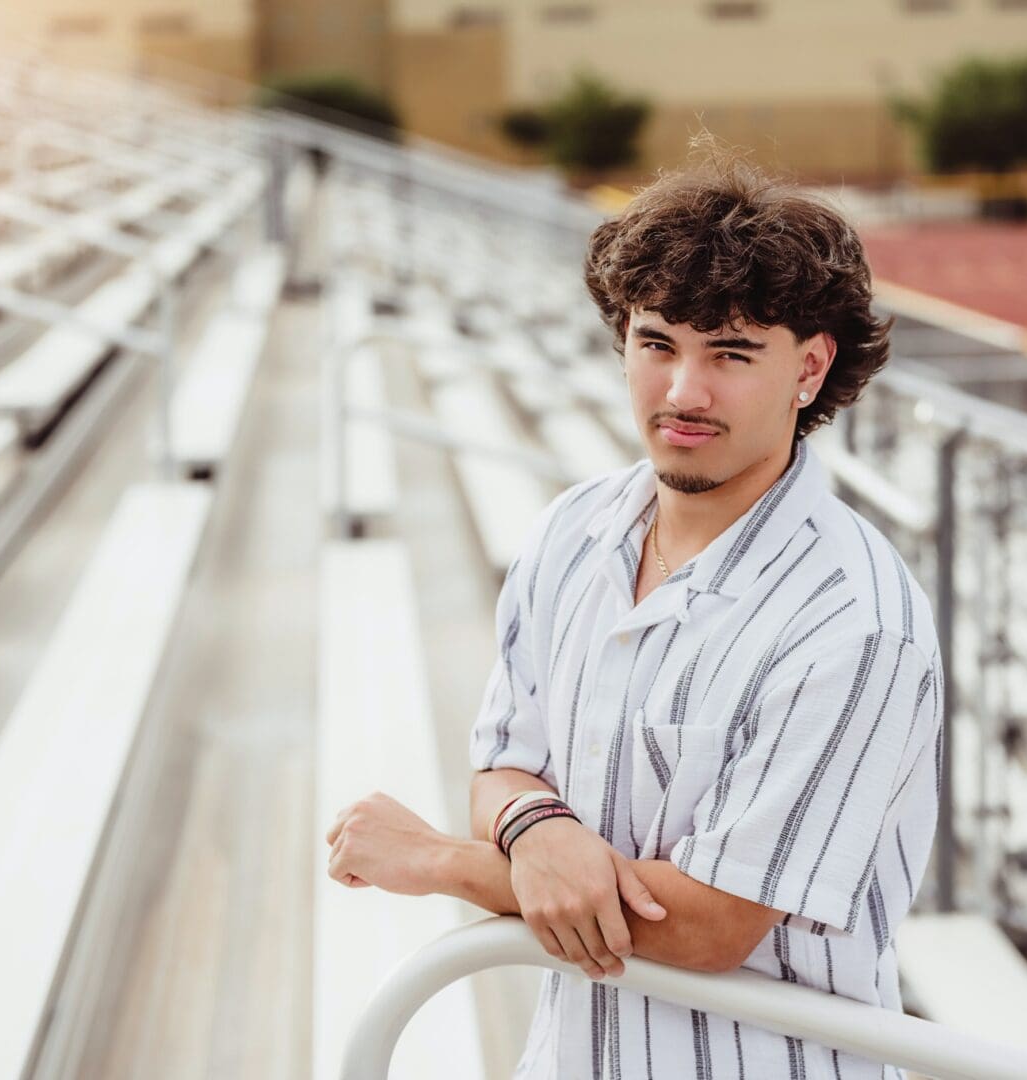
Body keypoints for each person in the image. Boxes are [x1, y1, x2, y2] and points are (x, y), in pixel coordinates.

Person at [326, 145, 944, 1079]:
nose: (682, 391)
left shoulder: (856, 624)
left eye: (729, 354)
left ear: (810, 368)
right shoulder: (573, 530)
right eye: (656, 343)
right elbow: (502, 761)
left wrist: (439, 861)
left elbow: (708, 923)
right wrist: (539, 829)